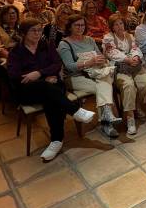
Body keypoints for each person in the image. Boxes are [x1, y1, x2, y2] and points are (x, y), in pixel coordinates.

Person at [8, 18, 95, 162]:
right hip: (28, 91)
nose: (37, 33)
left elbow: (57, 64)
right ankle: (74, 111)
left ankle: (56, 141)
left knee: (51, 97)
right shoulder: (16, 52)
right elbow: (15, 76)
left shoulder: (46, 45)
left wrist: (39, 73)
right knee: (47, 89)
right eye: (33, 30)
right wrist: (43, 77)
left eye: (39, 30)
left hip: (52, 85)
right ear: (23, 33)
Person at [57, 14, 122, 138]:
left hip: (94, 71)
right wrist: (89, 62)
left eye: (82, 25)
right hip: (75, 76)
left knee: (105, 79)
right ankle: (107, 122)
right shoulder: (64, 44)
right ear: (70, 27)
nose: (80, 28)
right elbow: (69, 66)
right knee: (103, 86)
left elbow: (99, 55)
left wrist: (101, 59)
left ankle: (106, 118)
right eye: (77, 25)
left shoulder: (89, 40)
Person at [103, 15, 146, 135]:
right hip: (120, 69)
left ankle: (137, 106)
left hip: (134, 66)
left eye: (121, 23)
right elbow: (111, 53)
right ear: (112, 27)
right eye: (116, 24)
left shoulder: (129, 36)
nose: (119, 26)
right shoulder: (108, 38)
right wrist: (127, 59)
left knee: (145, 83)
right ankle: (130, 117)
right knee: (129, 85)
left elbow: (135, 49)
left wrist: (135, 57)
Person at [0, 5, 21, 83]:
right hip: (1, 57)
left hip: (20, 55)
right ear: (2, 17)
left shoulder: (21, 27)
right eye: (7, 14)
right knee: (11, 71)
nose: (11, 15)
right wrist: (13, 58)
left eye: (13, 13)